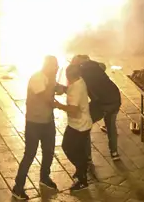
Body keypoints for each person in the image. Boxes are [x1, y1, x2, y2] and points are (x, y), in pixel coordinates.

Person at [12, 56, 61, 200]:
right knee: (30, 154)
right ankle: (18, 187)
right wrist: (53, 83)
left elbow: (56, 89)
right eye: (55, 66)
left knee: (49, 151)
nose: (57, 69)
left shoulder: (49, 78)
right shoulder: (37, 79)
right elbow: (46, 97)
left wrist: (64, 88)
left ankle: (44, 177)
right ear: (47, 66)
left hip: (48, 122)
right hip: (34, 123)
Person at [70, 55, 122, 162]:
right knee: (111, 124)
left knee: (85, 123)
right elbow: (102, 65)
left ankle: (87, 156)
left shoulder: (82, 76)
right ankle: (114, 152)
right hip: (115, 98)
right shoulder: (95, 66)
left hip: (103, 102)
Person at [54, 64, 91, 192]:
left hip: (79, 126)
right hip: (78, 124)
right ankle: (81, 171)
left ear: (70, 75)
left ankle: (82, 178)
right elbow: (71, 89)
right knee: (76, 150)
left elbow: (74, 109)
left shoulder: (76, 89)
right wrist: (64, 89)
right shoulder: (80, 81)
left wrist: (59, 106)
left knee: (70, 148)